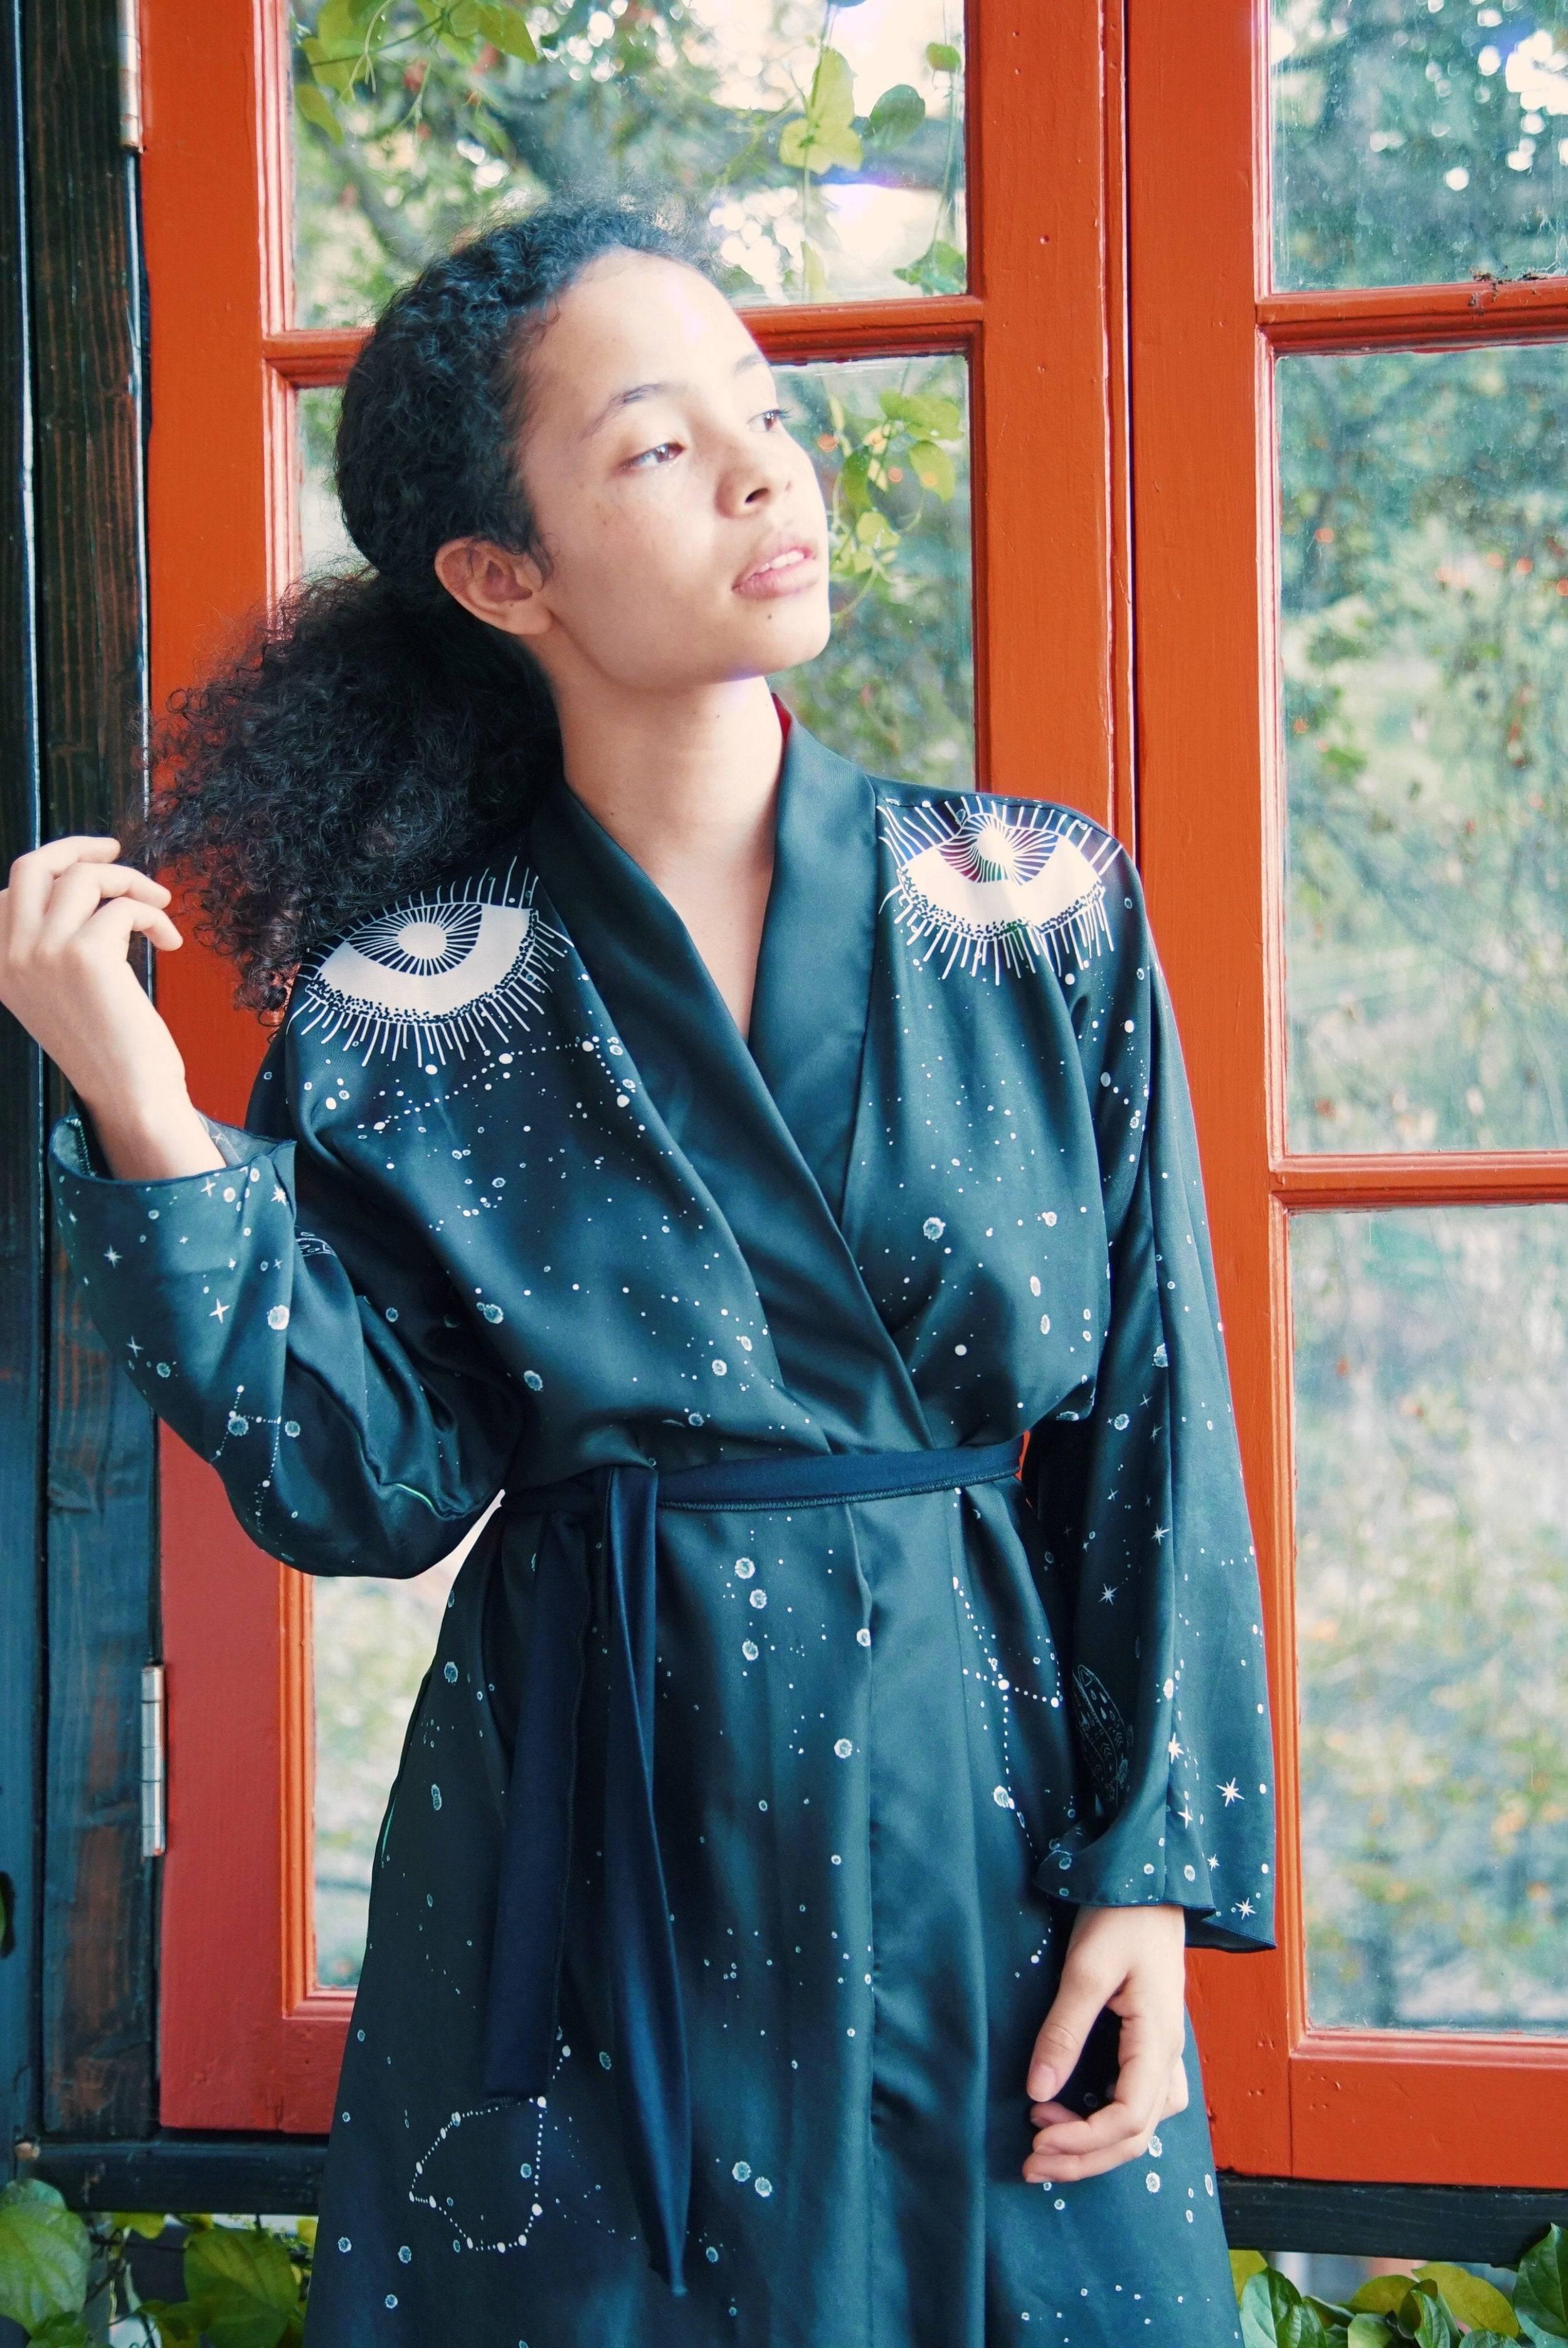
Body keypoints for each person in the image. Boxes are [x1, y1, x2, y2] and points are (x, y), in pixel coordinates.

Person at [0, 198, 1275, 2346]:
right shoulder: (411, 1001)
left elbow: (1153, 1410)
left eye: (763, 414)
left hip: (982, 1816)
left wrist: (1146, 1873)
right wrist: (144, 1105)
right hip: (589, 1830)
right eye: (656, 448)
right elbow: (369, 1488)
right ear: (503, 577)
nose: (767, 470)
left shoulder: (1035, 904)